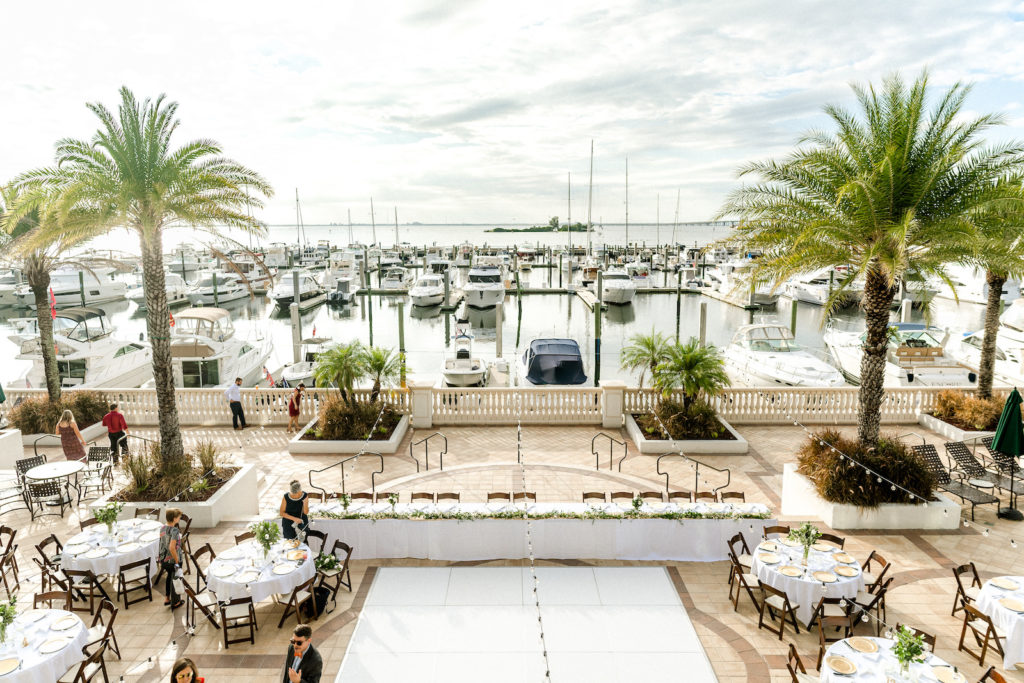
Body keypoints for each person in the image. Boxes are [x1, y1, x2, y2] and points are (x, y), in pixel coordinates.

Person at [158, 507, 184, 609]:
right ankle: (175, 602)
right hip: (173, 560)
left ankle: (167, 598)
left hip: (164, 560)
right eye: (178, 517)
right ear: (174, 519)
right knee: (176, 579)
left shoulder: (162, 528)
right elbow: (172, 548)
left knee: (169, 577)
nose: (179, 519)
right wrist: (177, 561)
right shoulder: (174, 530)